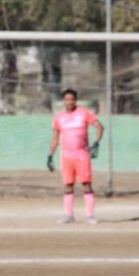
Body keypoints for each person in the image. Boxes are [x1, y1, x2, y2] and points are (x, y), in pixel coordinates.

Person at [47, 89, 104, 224]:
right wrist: (50, 155)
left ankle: (90, 216)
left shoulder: (84, 113)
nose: (70, 102)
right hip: (66, 156)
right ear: (63, 101)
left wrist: (96, 143)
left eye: (72, 99)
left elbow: (100, 127)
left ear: (75, 100)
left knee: (87, 184)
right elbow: (55, 138)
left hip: (82, 155)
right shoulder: (59, 117)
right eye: (67, 99)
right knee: (68, 185)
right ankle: (69, 216)